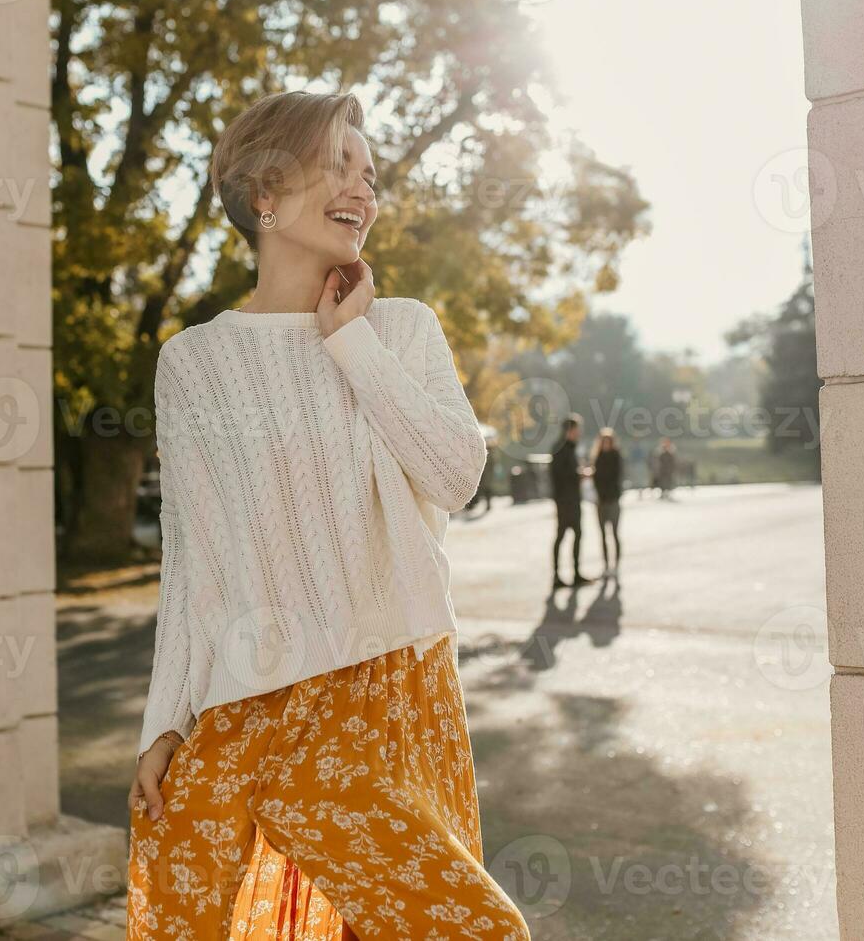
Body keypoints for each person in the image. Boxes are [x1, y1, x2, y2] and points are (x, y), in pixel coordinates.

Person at [126, 91, 530, 941]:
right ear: (264, 190)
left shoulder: (401, 329)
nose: (363, 189)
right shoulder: (192, 363)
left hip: (390, 697)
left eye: (370, 175)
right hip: (253, 709)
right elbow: (191, 559)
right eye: (340, 164)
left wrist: (351, 342)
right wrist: (164, 721)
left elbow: (457, 476)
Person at [549, 414, 595, 589]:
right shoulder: (561, 449)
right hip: (565, 500)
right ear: (570, 431)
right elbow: (561, 476)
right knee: (562, 536)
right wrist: (580, 475)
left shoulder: (569, 448)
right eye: (577, 430)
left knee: (576, 535)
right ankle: (557, 576)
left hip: (572, 499)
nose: (579, 433)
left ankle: (575, 573)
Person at [590, 427, 624, 575]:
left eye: (608, 441)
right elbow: (596, 480)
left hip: (613, 500)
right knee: (602, 535)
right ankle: (605, 565)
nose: (605, 444)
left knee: (615, 534)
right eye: (603, 441)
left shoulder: (616, 457)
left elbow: (615, 478)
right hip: (601, 501)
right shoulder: (597, 458)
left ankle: (616, 565)